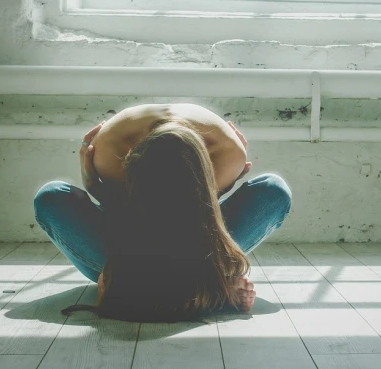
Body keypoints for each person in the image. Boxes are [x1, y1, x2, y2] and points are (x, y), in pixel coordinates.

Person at [32, 103, 292, 322]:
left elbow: (198, 223)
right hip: (133, 234)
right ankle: (208, 284)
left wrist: (215, 194)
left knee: (273, 190)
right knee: (52, 197)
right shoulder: (112, 155)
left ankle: (135, 287)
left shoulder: (226, 154)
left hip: (198, 231)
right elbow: (131, 225)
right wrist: (93, 186)